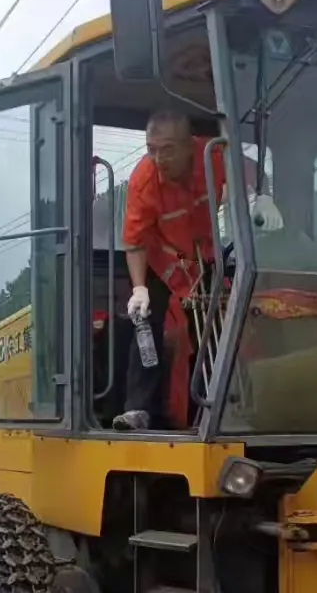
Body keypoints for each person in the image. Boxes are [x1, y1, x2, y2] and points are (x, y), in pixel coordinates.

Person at [115, 107, 281, 431]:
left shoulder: (215, 155)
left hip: (202, 257)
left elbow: (253, 172)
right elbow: (134, 242)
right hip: (160, 261)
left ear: (189, 144)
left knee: (211, 329)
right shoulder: (143, 181)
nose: (158, 159)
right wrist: (139, 288)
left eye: (167, 149)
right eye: (151, 149)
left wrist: (263, 197)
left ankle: (211, 410)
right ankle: (139, 408)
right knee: (146, 324)